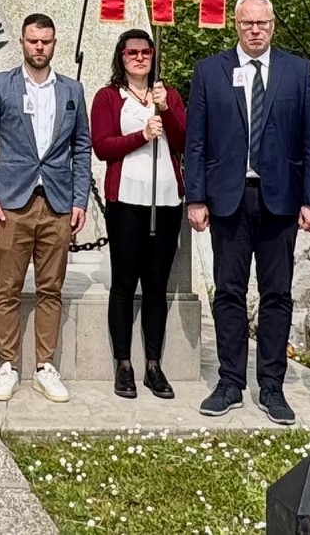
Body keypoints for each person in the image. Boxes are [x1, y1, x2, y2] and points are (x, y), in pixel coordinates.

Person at [185, 0, 310, 426]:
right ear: (236, 25)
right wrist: (196, 196)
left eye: (262, 23)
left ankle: (271, 385)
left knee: (276, 293)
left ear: (273, 25)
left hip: (280, 199)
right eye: (247, 23)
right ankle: (230, 382)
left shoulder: (297, 72)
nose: (255, 30)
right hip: (228, 198)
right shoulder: (210, 72)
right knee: (227, 291)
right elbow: (196, 139)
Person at [0, 13, 93, 405]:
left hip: (57, 203)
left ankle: (44, 366)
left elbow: (82, 147)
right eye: (32, 41)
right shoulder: (0, 86)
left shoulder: (72, 90)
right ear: (22, 43)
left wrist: (79, 199)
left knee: (50, 289)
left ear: (54, 44)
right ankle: (7, 365)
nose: (39, 47)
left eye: (46, 41)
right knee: (7, 288)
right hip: (12, 204)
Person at [90, 27, 187, 399]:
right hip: (126, 201)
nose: (139, 58)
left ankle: (153, 365)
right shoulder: (108, 98)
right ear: (121, 57)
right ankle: (123, 364)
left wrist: (164, 110)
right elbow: (102, 146)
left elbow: (182, 140)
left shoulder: (169, 95)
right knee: (125, 284)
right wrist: (141, 135)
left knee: (156, 287)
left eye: (145, 52)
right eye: (131, 53)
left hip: (164, 202)